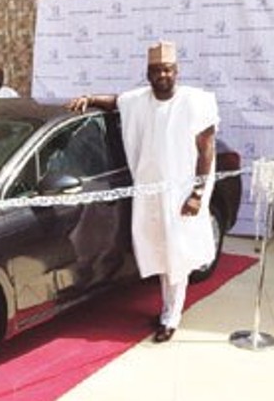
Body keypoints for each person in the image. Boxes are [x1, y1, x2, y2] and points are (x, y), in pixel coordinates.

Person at [67, 41, 219, 343]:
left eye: (168, 69)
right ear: (148, 73)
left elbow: (206, 152)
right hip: (149, 195)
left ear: (177, 71)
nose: (163, 74)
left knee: (176, 257)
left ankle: (171, 317)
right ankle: (168, 307)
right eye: (156, 70)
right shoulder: (139, 100)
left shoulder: (195, 102)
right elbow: (114, 101)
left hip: (181, 195)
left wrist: (197, 194)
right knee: (161, 253)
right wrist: (88, 98)